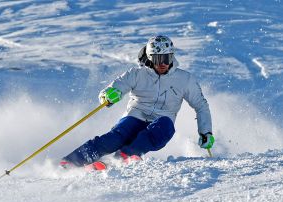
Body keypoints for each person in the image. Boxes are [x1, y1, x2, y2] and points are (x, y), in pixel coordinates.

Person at [61, 35, 214, 168]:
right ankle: (73, 161)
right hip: (135, 116)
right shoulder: (137, 74)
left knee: (166, 125)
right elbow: (115, 87)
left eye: (166, 58)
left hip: (161, 122)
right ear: (149, 58)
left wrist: (205, 132)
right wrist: (108, 96)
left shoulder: (185, 79)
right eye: (157, 59)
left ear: (172, 56)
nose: (162, 64)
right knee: (116, 138)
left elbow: (201, 106)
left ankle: (125, 156)